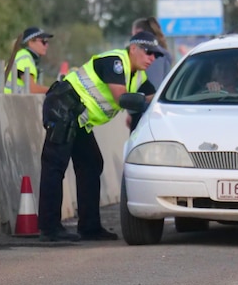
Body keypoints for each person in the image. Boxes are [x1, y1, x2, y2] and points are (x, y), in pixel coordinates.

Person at [37, 31, 163, 242]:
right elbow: (122, 98)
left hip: (78, 118)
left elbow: (157, 96)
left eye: (156, 55)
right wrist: (144, 100)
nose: (152, 58)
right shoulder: (116, 62)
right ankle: (49, 229)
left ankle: (89, 227)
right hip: (63, 106)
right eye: (148, 52)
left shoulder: (138, 76)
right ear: (133, 49)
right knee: (55, 166)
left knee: (91, 164)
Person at [128, 17, 172, 132]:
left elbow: (152, 92)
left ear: (138, 33)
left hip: (146, 115)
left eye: (134, 35)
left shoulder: (152, 57)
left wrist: (133, 110)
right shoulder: (162, 54)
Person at [0, 27, 53, 94]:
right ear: (30, 42)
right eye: (44, 42)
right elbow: (32, 89)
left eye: (47, 42)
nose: (46, 45)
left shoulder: (22, 55)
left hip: (1, 100)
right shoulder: (25, 57)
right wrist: (55, 90)